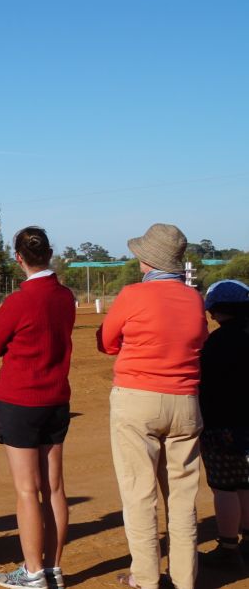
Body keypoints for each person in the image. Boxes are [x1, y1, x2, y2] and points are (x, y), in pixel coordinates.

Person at [97, 223, 208, 589]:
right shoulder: (194, 299)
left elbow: (108, 341)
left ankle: (145, 577)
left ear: (147, 260)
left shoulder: (132, 295)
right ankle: (184, 578)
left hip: (137, 398)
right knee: (182, 497)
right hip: (186, 402)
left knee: (139, 493)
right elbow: (200, 344)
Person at [0, 227, 76, 589]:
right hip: (56, 398)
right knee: (54, 488)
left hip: (20, 399)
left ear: (18, 258)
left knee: (26, 490)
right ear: (49, 253)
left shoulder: (21, 300)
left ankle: (33, 571)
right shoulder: (65, 296)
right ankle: (52, 567)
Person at [196, 279, 249, 572]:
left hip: (223, 425)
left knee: (225, 487)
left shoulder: (218, 343)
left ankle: (229, 547)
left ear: (217, 309)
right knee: (245, 483)